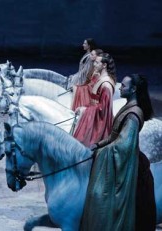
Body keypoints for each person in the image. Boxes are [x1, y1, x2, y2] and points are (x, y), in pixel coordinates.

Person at [80, 74, 156, 231]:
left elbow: (123, 145)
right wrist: (98, 145)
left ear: (133, 89)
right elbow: (115, 136)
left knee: (98, 194)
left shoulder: (133, 114)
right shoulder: (128, 106)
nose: (120, 87)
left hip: (127, 160)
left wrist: (101, 152)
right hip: (119, 152)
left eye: (124, 86)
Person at [73, 53, 116, 147]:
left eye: (97, 63)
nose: (94, 65)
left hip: (98, 121)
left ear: (104, 65)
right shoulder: (100, 78)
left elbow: (103, 109)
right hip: (93, 115)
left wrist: (85, 110)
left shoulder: (106, 84)